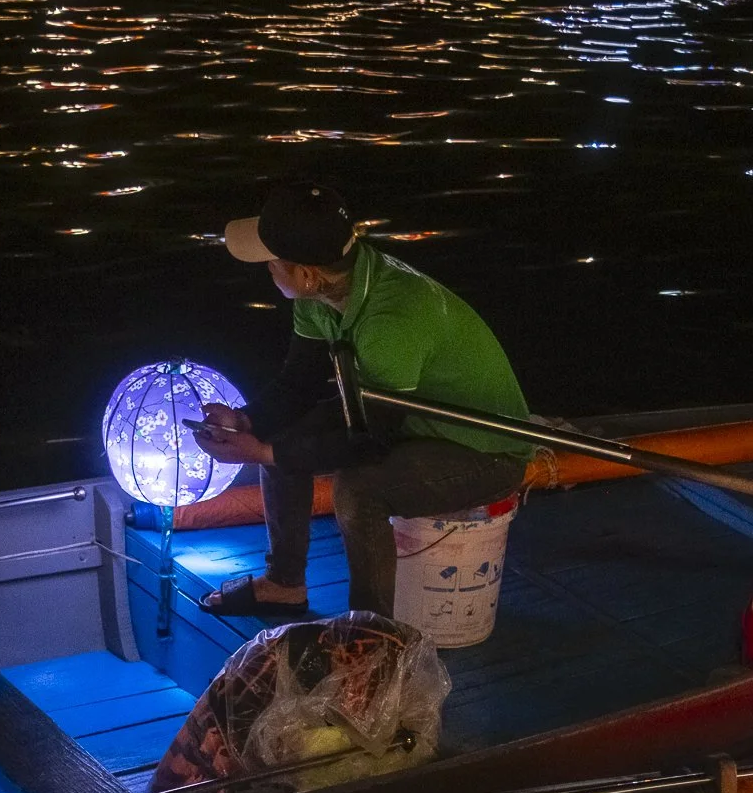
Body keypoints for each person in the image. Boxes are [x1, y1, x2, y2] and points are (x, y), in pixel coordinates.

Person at [188, 181, 530, 621]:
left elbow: (373, 442)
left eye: (272, 263)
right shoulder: (324, 290)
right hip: (409, 418)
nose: (268, 270)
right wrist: (247, 420)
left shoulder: (392, 321)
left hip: (484, 450)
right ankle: (284, 583)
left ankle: (369, 633)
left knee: (358, 488)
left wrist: (268, 454)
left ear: (305, 273)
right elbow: (299, 382)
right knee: (278, 434)